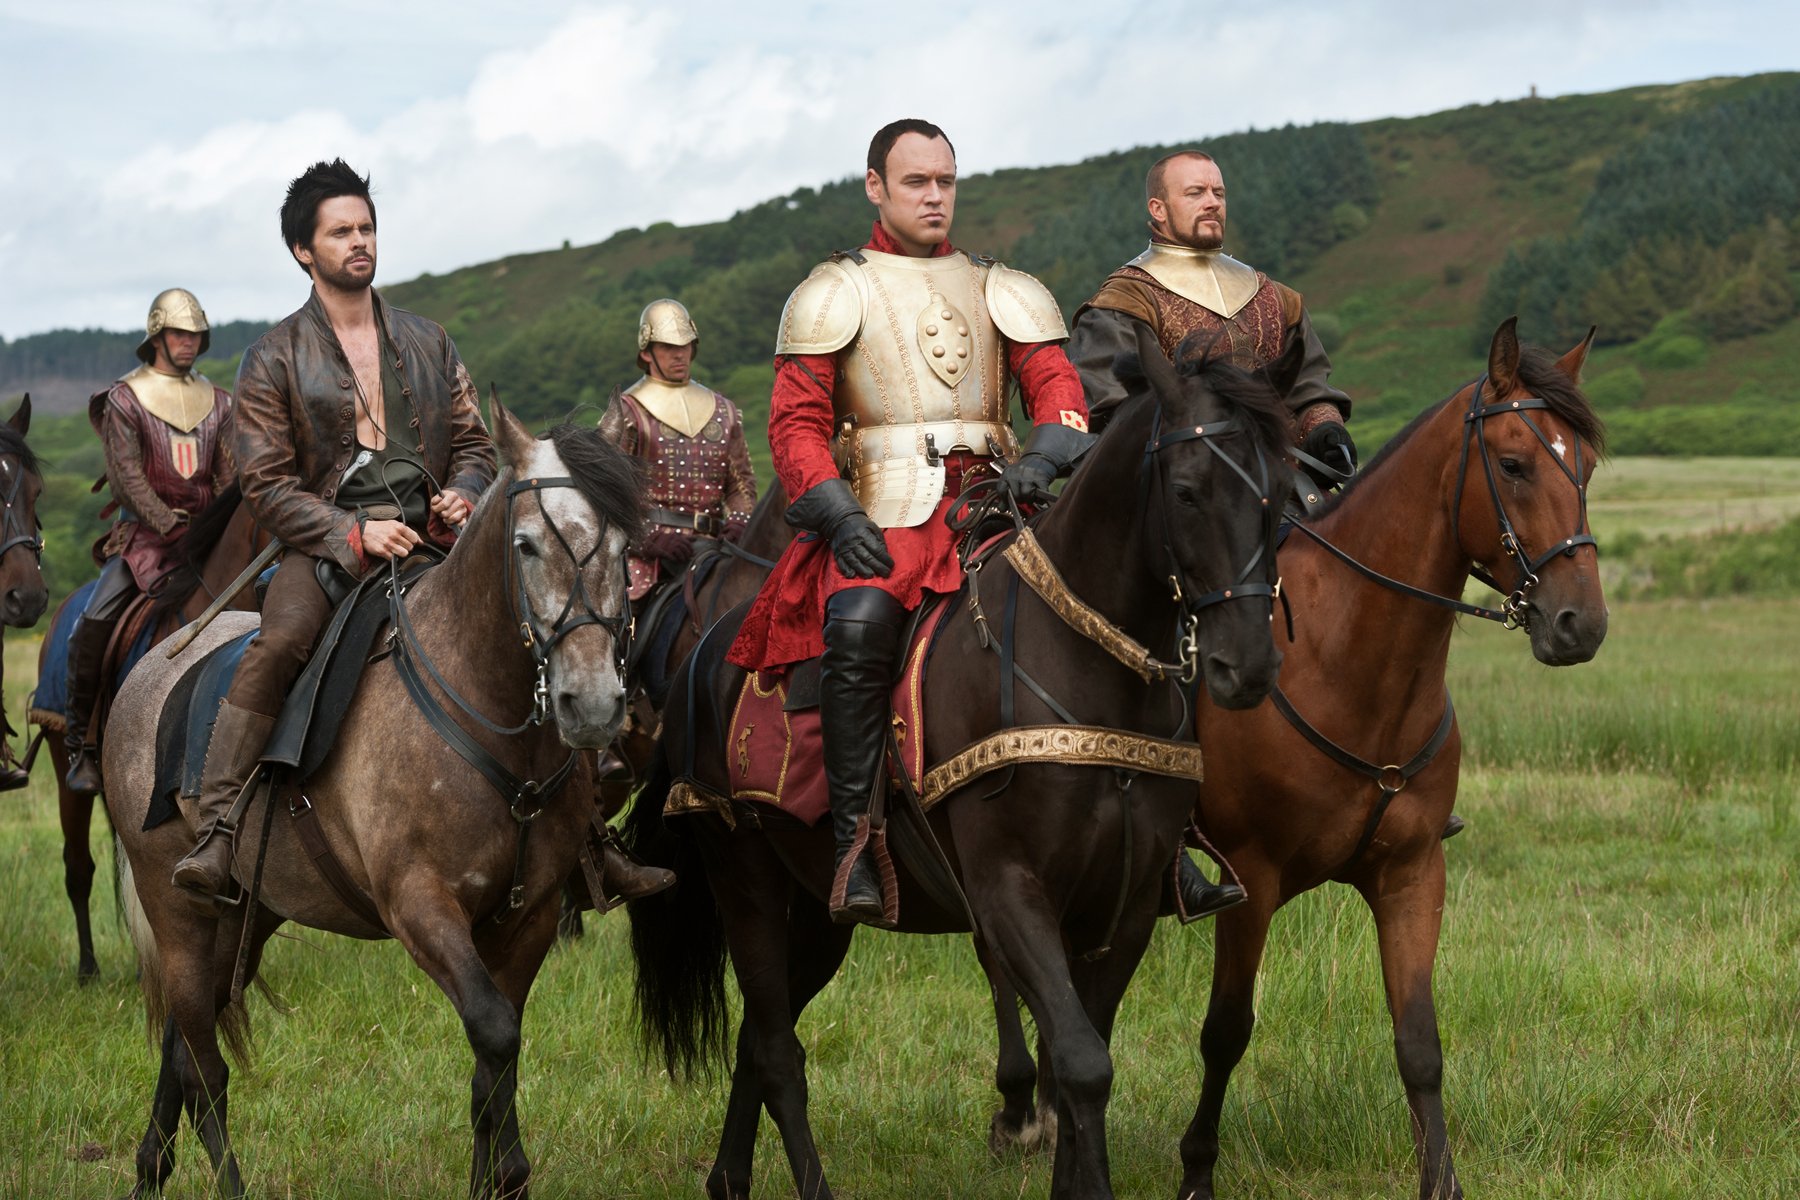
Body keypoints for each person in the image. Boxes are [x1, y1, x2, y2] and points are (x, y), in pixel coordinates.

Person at [171, 159, 667, 910]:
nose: (359, 242)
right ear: (304, 250)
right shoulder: (271, 357)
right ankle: (218, 828)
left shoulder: (427, 340)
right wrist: (351, 532)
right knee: (279, 644)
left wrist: (465, 497)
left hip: (437, 542)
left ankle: (592, 842)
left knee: (540, 629)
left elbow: (472, 444)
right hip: (325, 551)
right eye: (341, 232)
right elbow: (265, 484)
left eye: (366, 228)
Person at [727, 119, 1090, 926]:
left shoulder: (1006, 286)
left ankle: (1172, 830)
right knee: (858, 626)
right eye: (917, 182)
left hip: (1000, 504)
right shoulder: (833, 291)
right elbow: (793, 426)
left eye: (946, 181)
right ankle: (857, 842)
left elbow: (1059, 388)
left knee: (1125, 588)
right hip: (884, 516)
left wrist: (1045, 455)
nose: (935, 197)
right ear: (875, 187)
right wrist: (834, 508)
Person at [1068, 150, 1358, 489]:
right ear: (1158, 209)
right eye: (1196, 193)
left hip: (1285, 487)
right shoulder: (1123, 302)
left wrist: (1325, 429)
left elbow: (1309, 389)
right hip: (1181, 497)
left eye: (1218, 193)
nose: (1212, 203)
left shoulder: (1278, 298)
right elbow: (1117, 413)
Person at [62, 289, 234, 793]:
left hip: (207, 540)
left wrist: (220, 528)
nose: (190, 343)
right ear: (157, 336)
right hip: (145, 540)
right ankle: (81, 744)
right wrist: (167, 522)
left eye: (196, 335)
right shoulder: (124, 398)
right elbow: (127, 480)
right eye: (181, 334)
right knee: (94, 620)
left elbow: (227, 479)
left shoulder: (220, 401)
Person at [597, 298, 757, 607]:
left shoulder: (724, 411)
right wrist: (647, 538)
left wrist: (739, 521)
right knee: (616, 642)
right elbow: (607, 492)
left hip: (717, 553)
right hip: (646, 565)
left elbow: (741, 484)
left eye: (685, 345)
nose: (679, 353)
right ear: (646, 351)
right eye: (668, 346)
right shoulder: (626, 410)